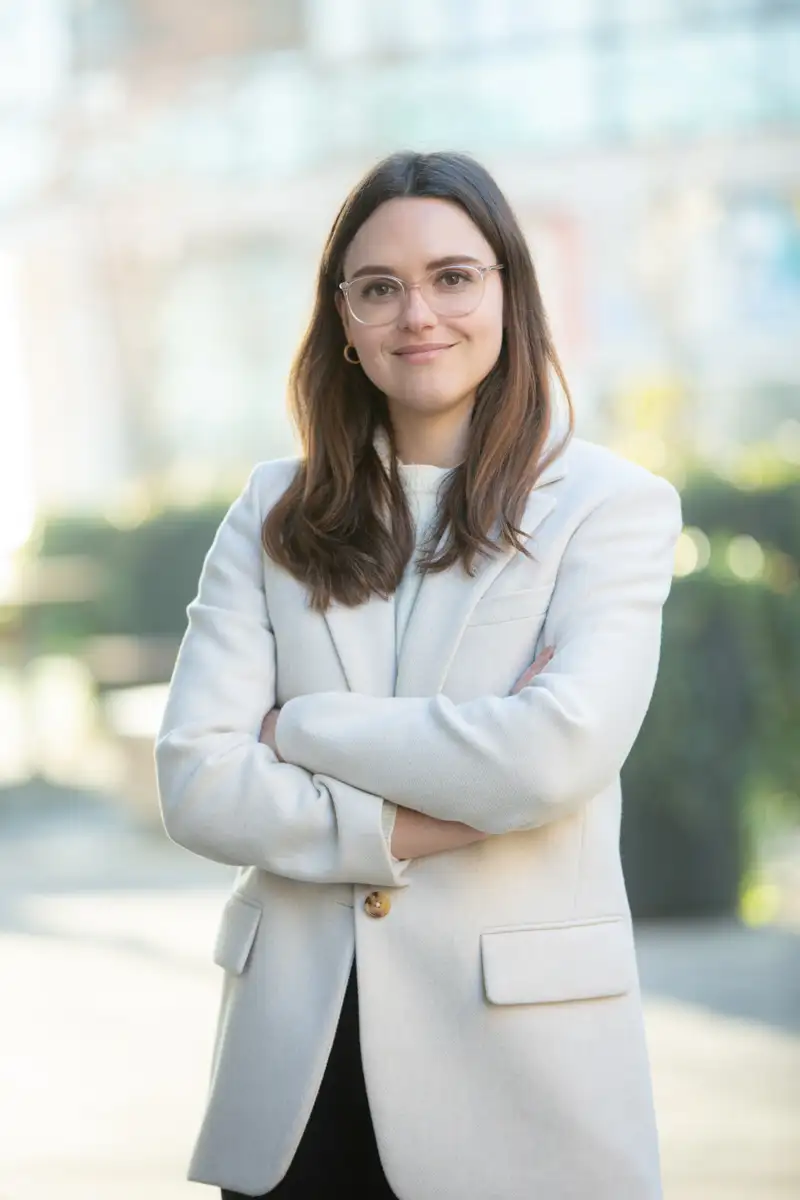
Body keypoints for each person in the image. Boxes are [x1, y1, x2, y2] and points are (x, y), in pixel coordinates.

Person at [155, 149, 682, 1200]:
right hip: (297, 1077)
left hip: (523, 1080)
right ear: (341, 322)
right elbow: (197, 784)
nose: (417, 315)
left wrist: (299, 726)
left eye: (452, 276)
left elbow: (549, 756)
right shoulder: (271, 511)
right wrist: (405, 826)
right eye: (378, 288)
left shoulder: (608, 508)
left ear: (507, 296)